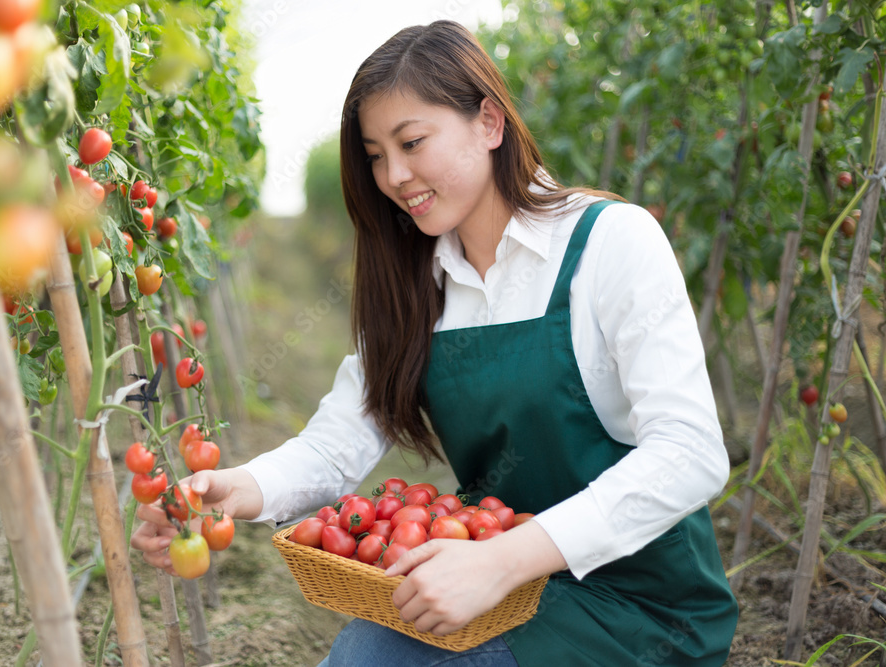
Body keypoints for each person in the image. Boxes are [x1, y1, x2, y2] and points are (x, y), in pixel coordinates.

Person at [131, 19, 739, 666]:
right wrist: (235, 487)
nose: (393, 175)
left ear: (489, 124)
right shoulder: (415, 282)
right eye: (374, 155)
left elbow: (692, 453)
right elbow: (338, 444)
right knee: (360, 655)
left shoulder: (610, 242)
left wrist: (507, 558)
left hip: (638, 602)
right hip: (479, 571)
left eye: (412, 142)